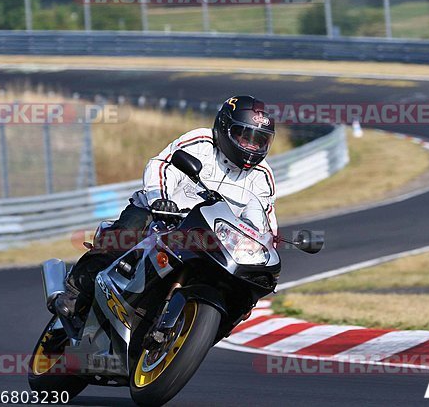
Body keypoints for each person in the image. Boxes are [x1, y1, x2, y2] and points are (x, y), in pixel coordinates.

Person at [53, 95, 278, 327]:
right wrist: (160, 198)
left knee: (241, 293)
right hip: (164, 213)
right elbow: (162, 165)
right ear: (224, 127)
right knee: (127, 233)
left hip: (207, 238)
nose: (252, 146)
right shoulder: (200, 142)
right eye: (245, 136)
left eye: (259, 140)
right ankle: (76, 292)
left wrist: (266, 249)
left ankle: (203, 327)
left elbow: (264, 220)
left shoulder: (263, 177)